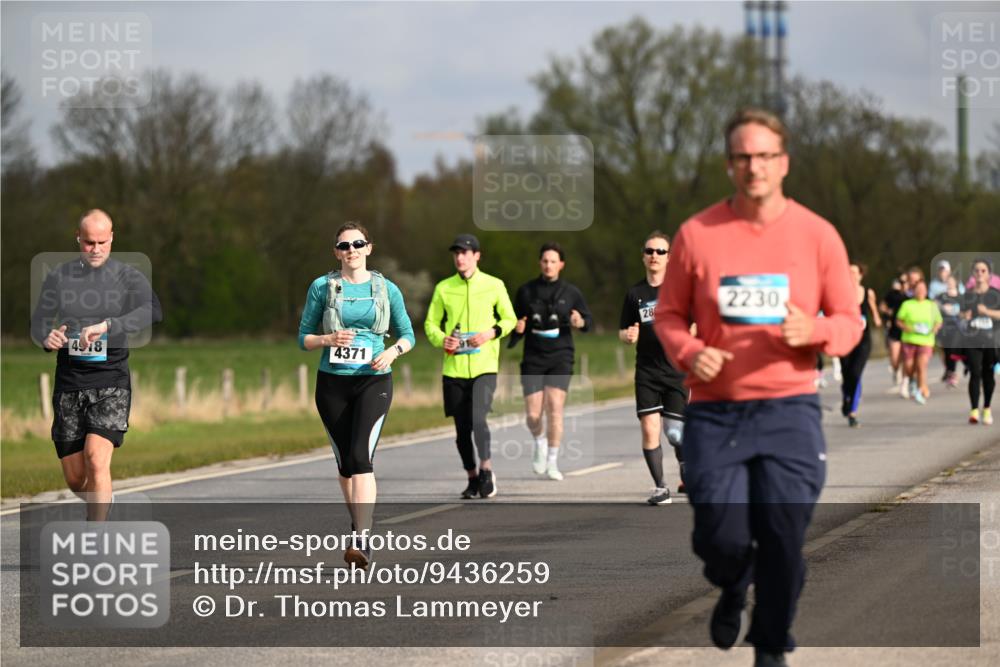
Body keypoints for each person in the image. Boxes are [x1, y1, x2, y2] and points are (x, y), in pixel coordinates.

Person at [654, 108, 860, 667]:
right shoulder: (697, 235)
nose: (754, 166)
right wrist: (693, 353)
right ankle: (730, 581)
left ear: (783, 163)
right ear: (729, 165)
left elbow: (850, 322)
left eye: (765, 156)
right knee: (719, 538)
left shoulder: (818, 236)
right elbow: (668, 317)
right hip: (717, 413)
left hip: (788, 410)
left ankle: (771, 648)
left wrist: (813, 330)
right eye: (743, 156)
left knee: (783, 537)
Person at [30, 209, 162, 521]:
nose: (96, 248)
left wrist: (108, 326)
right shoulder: (59, 277)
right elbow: (38, 323)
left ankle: (96, 538)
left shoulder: (128, 277)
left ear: (112, 238)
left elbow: (153, 310)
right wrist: (45, 338)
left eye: (102, 241)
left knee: (96, 458)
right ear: (78, 239)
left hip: (111, 382)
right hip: (70, 383)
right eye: (89, 242)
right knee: (77, 478)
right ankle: (102, 498)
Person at [298, 222, 415, 569]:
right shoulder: (322, 287)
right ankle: (358, 525)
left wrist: (393, 352)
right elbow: (303, 337)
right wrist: (326, 340)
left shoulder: (386, 288)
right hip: (332, 384)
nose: (351, 250)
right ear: (336, 252)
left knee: (362, 457)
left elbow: (408, 334)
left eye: (357, 244)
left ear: (368, 248)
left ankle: (361, 539)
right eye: (344, 245)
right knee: (346, 466)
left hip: (373, 381)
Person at [425, 234, 516, 499]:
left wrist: (491, 332)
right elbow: (430, 324)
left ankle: (487, 469)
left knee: (479, 419)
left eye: (465, 252)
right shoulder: (444, 288)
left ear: (477, 256)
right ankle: (472, 477)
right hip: (453, 370)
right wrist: (444, 339)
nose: (460, 257)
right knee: (461, 429)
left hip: (484, 366)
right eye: (456, 253)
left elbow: (509, 318)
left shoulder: (494, 285)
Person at [511, 242, 592, 481]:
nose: (548, 265)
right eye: (545, 261)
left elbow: (588, 321)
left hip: (561, 355)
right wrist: (517, 328)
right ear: (540, 263)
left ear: (561, 265)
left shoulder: (571, 292)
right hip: (534, 356)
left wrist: (580, 322)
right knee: (533, 415)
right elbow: (513, 323)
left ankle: (554, 462)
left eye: (553, 261)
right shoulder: (526, 291)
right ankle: (540, 443)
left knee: (555, 408)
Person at [619, 231, 688, 505]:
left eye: (660, 252)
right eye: (649, 251)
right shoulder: (635, 293)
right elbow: (623, 332)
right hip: (647, 371)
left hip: (676, 371)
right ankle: (660, 487)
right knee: (650, 429)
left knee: (674, 432)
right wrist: (628, 336)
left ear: (669, 257)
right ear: (643, 256)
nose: (654, 256)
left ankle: (686, 464)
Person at [839, 262, 882, 427]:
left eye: (854, 272)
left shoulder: (867, 292)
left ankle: (852, 411)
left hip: (863, 339)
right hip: (845, 338)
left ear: (861, 275)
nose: (851, 275)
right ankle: (846, 398)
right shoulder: (840, 293)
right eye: (848, 272)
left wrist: (877, 318)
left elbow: (874, 313)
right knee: (846, 373)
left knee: (856, 373)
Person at [959, 259, 1000, 425]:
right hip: (972, 339)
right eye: (977, 270)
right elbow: (959, 314)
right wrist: (965, 316)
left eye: (983, 271)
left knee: (987, 375)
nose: (980, 273)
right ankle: (974, 410)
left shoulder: (995, 294)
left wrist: (987, 312)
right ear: (973, 274)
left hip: (991, 340)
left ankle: (987, 407)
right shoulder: (967, 295)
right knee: (975, 372)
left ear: (989, 274)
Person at [895, 280, 943, 406]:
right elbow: (899, 321)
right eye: (918, 289)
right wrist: (908, 328)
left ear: (926, 291)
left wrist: (935, 328)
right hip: (910, 339)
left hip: (926, 340)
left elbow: (938, 321)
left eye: (923, 289)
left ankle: (921, 389)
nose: (921, 291)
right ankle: (911, 380)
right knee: (909, 366)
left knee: (922, 365)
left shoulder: (932, 305)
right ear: (913, 290)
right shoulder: (907, 304)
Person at [879, 274, 909, 395]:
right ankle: (896, 370)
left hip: (908, 331)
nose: (903, 284)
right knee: (895, 357)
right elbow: (882, 306)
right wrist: (888, 311)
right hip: (895, 330)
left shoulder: (912, 296)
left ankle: (905, 383)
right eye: (901, 282)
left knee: (906, 358)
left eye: (906, 282)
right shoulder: (893, 294)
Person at [935, 275, 963, 387]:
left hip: (957, 328)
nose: (950, 283)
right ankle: (949, 371)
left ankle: (953, 373)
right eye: (948, 281)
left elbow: (967, 311)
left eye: (952, 281)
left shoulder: (961, 297)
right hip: (944, 328)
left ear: (956, 283)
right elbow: (934, 308)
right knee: (946, 351)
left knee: (953, 349)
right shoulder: (941, 296)